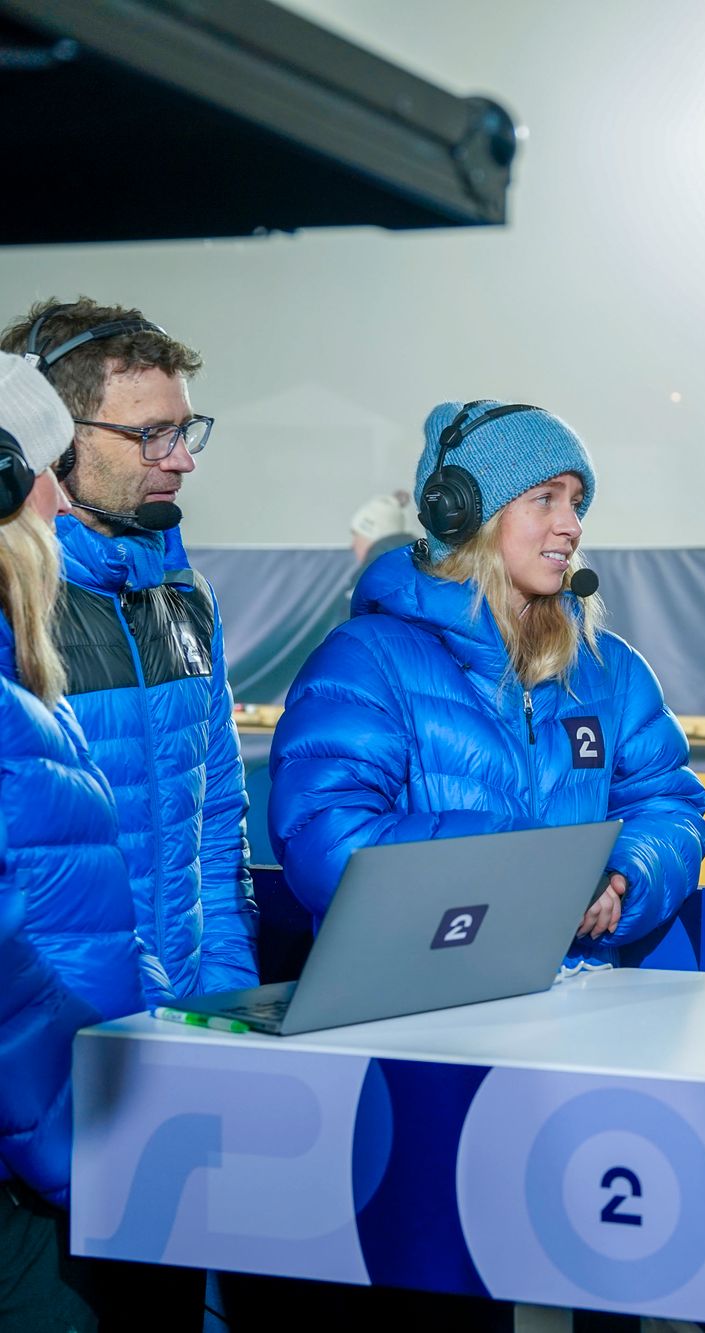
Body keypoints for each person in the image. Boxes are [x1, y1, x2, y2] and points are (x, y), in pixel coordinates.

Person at [268, 400, 705, 967]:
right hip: (417, 1002)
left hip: (573, 1006)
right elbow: (325, 837)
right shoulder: (366, 661)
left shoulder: (611, 670)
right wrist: (526, 867)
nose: (571, 526)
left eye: (576, 502)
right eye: (544, 499)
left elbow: (667, 804)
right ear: (463, 514)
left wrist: (625, 872)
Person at [1, 298, 256, 1003]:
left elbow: (217, 831)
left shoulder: (189, 601)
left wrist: (224, 1003)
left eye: (184, 431)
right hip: (67, 1031)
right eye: (151, 434)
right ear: (55, 448)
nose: (180, 460)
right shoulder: (15, 612)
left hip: (179, 1027)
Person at [0, 355, 146, 1331]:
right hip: (40, 1184)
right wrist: (96, 1157)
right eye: (42, 467)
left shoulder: (26, 701)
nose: (59, 493)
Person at [228, 490, 422, 704]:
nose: (352, 545)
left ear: (371, 534)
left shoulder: (371, 575)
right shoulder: (419, 568)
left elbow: (353, 639)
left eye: (356, 535)